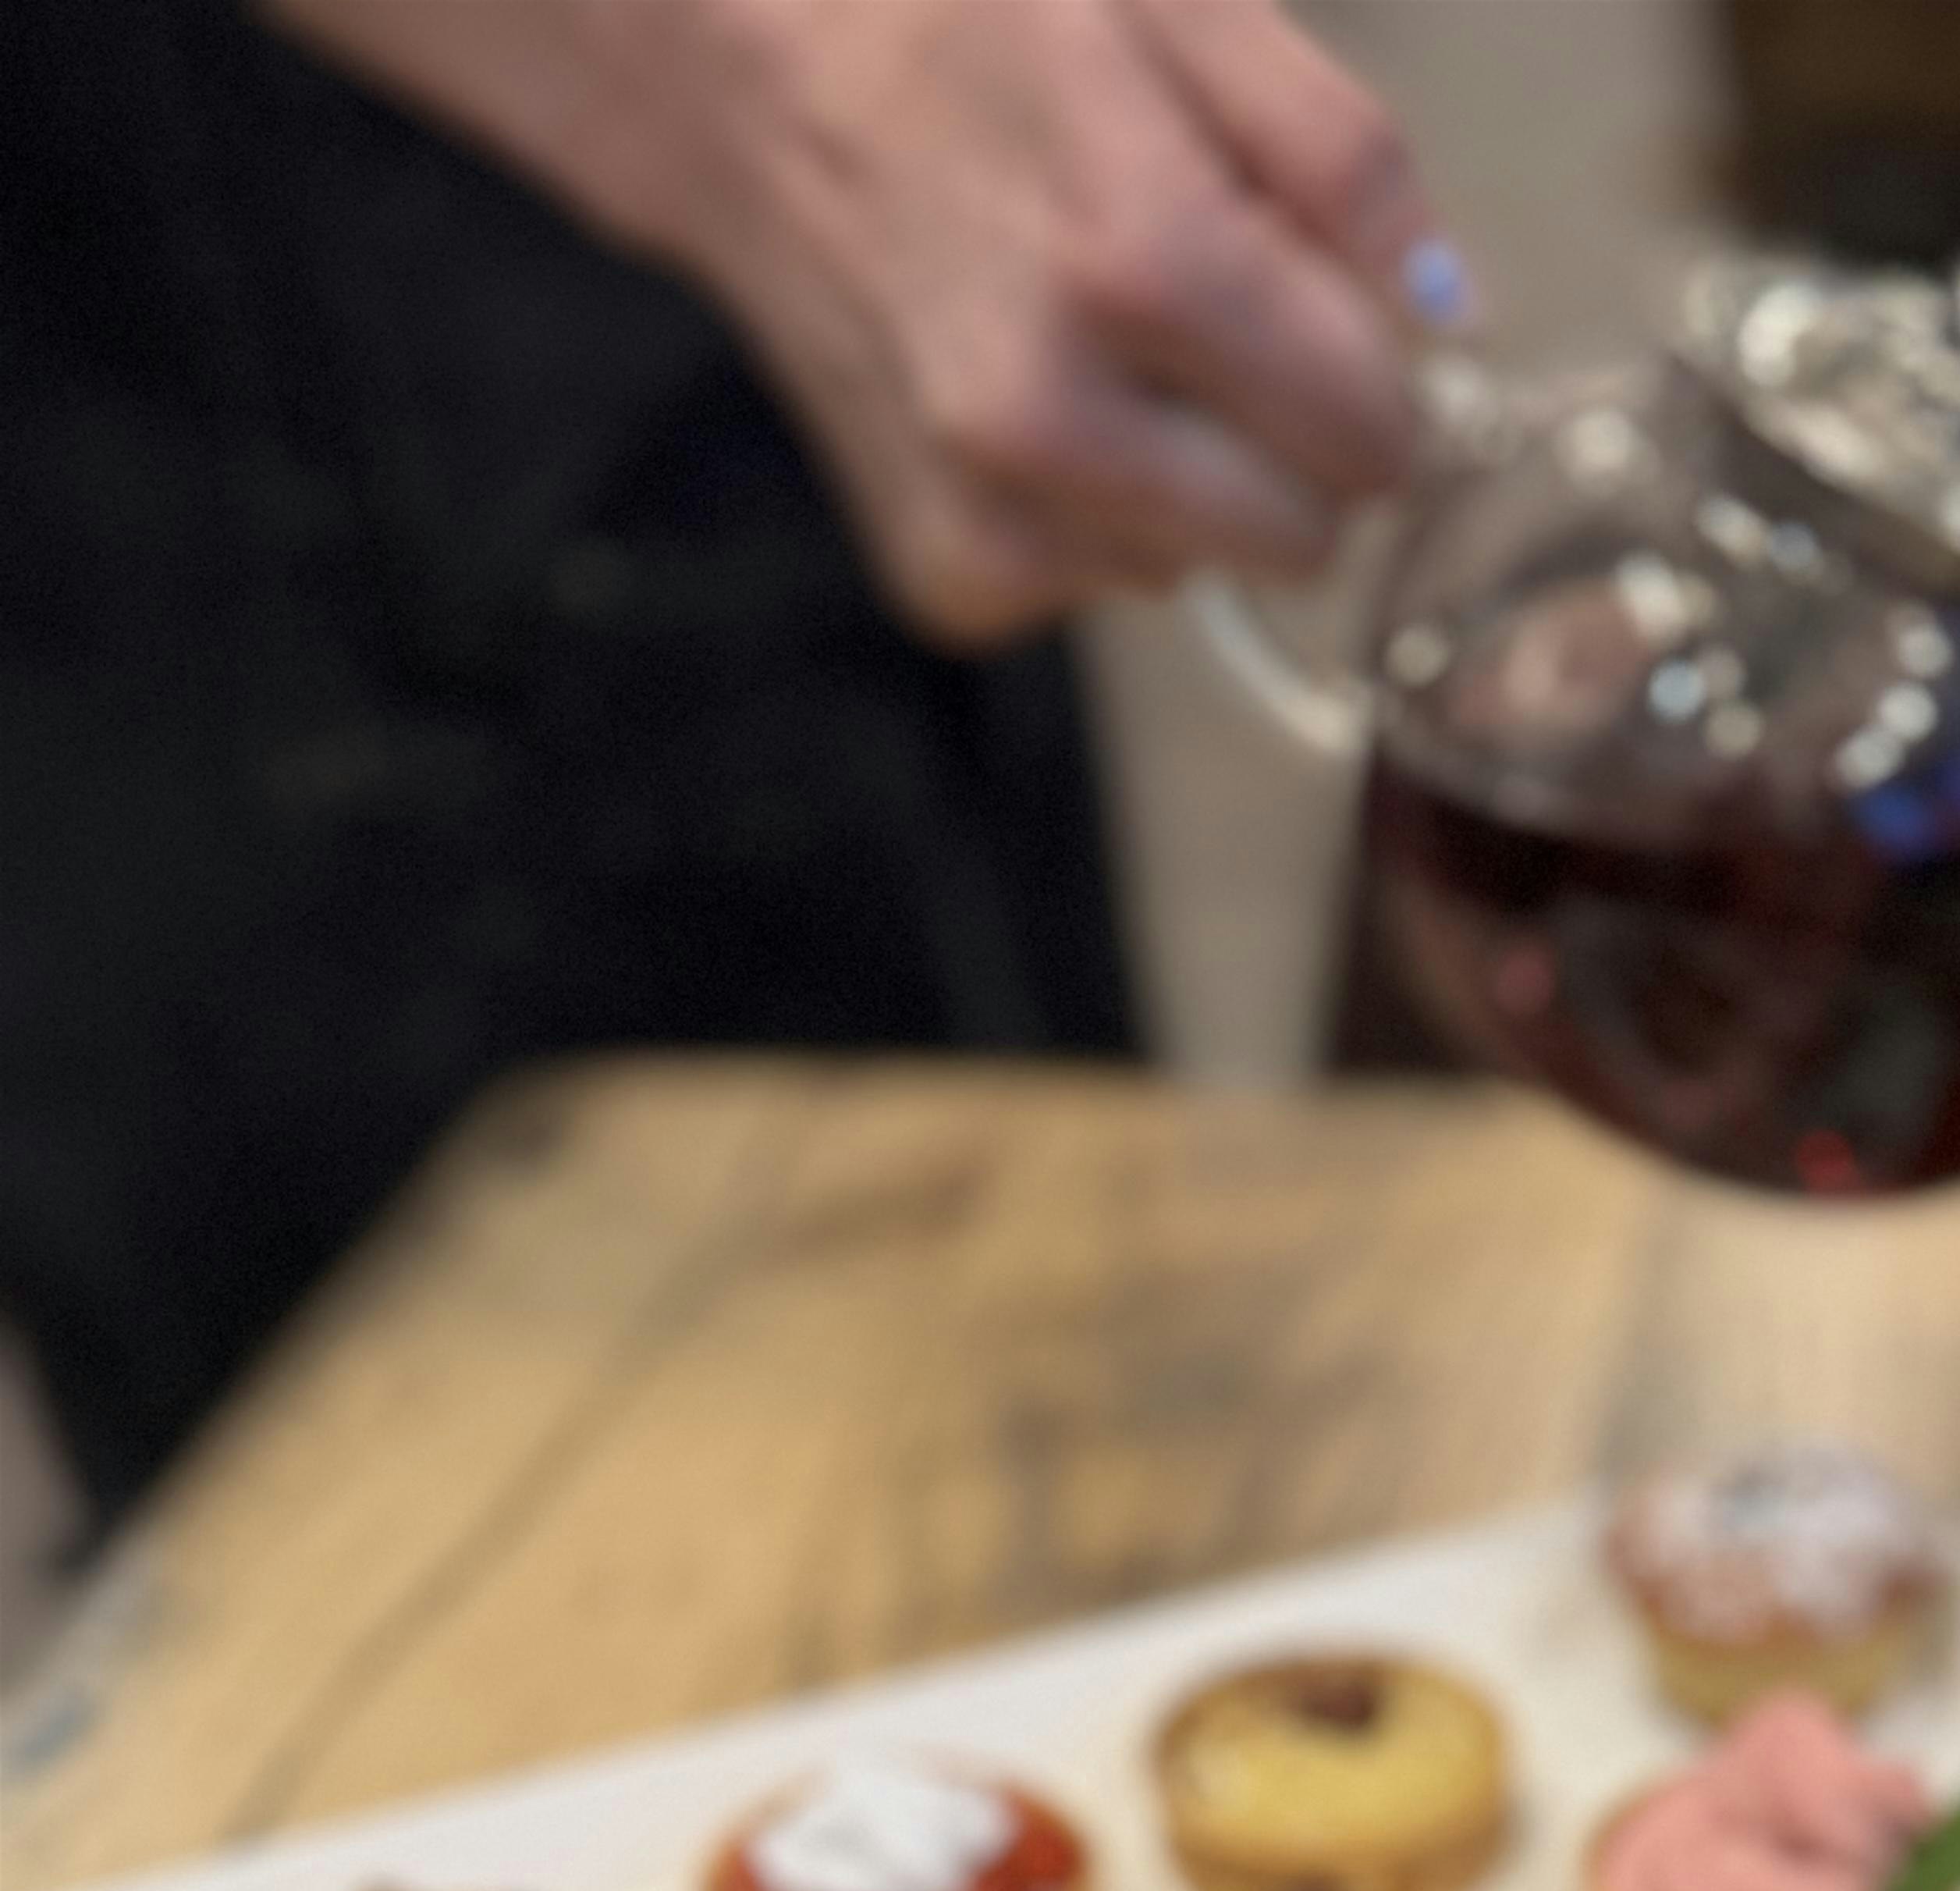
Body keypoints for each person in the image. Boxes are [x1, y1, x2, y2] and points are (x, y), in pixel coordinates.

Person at [0, 0, 1456, 1521]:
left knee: (1040, 1386)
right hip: (198, 403)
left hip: (760, 349)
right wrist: (767, 61)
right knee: (416, 1494)